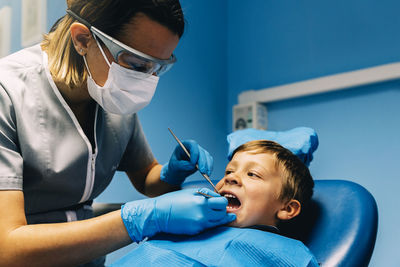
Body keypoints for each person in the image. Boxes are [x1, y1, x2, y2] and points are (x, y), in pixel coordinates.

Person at [0, 1, 235, 266]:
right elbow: (8, 247)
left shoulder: (110, 92)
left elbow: (146, 177)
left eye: (158, 67)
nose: (146, 80)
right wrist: (140, 219)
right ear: (83, 39)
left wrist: (172, 172)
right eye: (136, 64)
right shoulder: (6, 93)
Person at [112, 139, 319, 266]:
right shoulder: (184, 228)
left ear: (287, 208)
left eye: (253, 174)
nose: (231, 178)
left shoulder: (286, 254)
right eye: (229, 171)